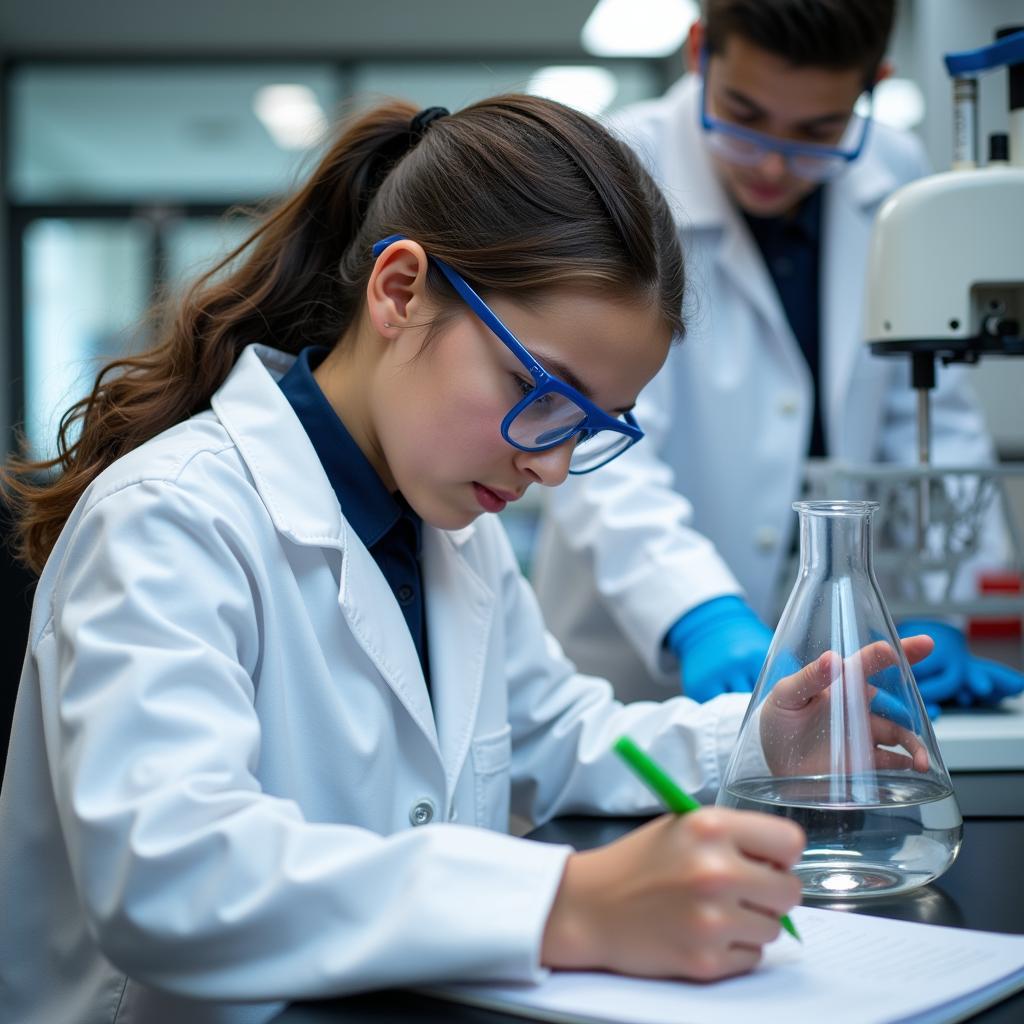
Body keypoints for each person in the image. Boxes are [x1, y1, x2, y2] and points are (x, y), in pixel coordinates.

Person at [0, 94, 829, 1024]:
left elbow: (559, 737)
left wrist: (761, 742)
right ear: (400, 290)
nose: (552, 466)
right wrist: (567, 905)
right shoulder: (172, 519)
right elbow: (169, 872)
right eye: (539, 391)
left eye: (591, 427)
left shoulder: (450, 530)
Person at [532, 0, 1024, 712]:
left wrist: (934, 604)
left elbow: (930, 417)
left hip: (843, 654)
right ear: (700, 50)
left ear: (872, 85)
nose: (771, 163)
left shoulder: (896, 172)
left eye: (817, 133)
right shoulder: (618, 172)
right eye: (743, 117)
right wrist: (702, 614)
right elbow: (597, 439)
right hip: (640, 675)